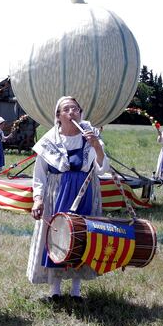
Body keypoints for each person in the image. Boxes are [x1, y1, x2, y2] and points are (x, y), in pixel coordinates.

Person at [27, 96, 105, 301]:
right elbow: (40, 175)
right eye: (66, 109)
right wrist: (38, 199)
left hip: (84, 193)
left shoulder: (91, 137)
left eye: (75, 109)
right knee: (57, 239)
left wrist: (97, 146)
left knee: (82, 238)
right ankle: (55, 290)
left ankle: (76, 290)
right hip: (57, 196)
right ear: (58, 116)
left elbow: (102, 169)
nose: (72, 112)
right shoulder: (49, 141)